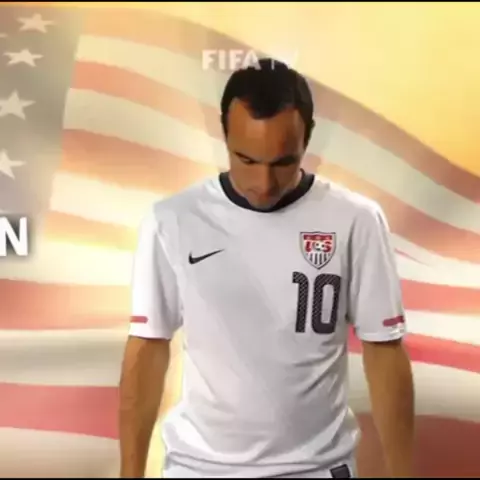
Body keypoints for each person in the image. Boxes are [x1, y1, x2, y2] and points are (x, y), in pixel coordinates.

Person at [119, 58, 415, 479]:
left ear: (308, 138)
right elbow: (148, 347)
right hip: (199, 469)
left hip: (318, 468)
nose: (263, 183)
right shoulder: (171, 220)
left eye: (282, 163)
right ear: (225, 135)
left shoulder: (357, 221)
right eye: (247, 160)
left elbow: (384, 351)